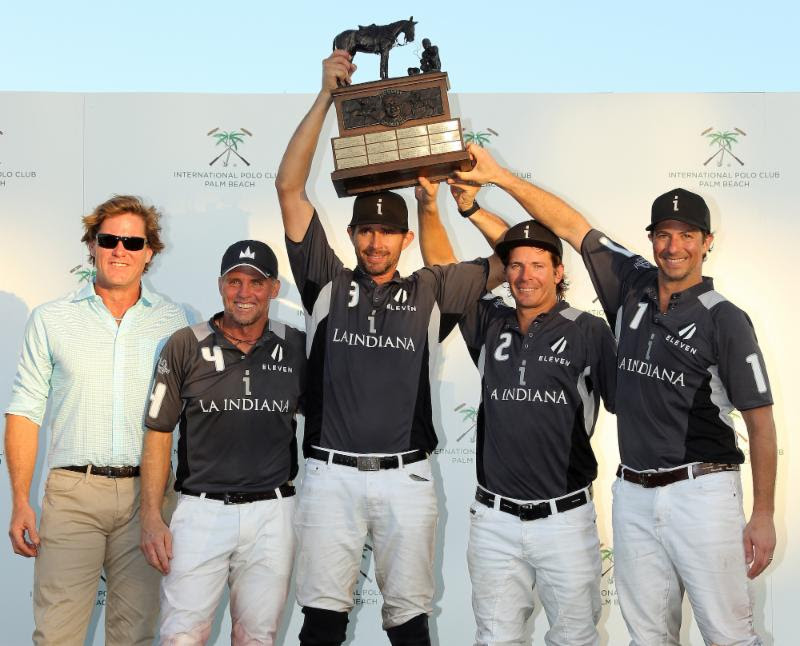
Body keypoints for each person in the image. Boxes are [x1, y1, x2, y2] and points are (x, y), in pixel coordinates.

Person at [453, 144, 778, 646]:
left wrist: (763, 513)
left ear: (707, 242)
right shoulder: (631, 285)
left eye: (687, 235)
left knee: (729, 635)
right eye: (663, 235)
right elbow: (565, 231)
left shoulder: (725, 317)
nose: (674, 246)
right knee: (647, 636)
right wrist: (496, 179)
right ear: (651, 240)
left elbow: (760, 422)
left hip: (703, 492)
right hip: (633, 494)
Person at [275, 50, 493, 646]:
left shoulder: (428, 290)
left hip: (407, 478)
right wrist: (326, 95)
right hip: (329, 475)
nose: (375, 242)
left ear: (404, 238)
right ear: (350, 234)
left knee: (409, 623)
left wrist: (455, 205)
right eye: (366, 230)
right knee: (321, 623)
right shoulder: (325, 282)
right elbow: (289, 187)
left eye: (387, 232)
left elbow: (516, 259)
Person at [418, 178, 616, 645]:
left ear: (559, 271)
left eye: (538, 265)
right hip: (494, 522)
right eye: (516, 266)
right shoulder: (490, 322)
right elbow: (445, 272)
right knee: (495, 639)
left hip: (565, 520)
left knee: (575, 639)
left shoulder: (590, 331)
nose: (526, 276)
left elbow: (629, 406)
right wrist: (430, 208)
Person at [5, 195, 189, 646]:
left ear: (150, 252)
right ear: (92, 245)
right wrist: (20, 500)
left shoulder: (173, 321)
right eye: (109, 240)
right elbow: (25, 410)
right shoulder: (51, 319)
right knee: (56, 637)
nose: (120, 250)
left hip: (148, 499)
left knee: (135, 637)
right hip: (73, 496)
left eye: (133, 242)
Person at [140, 239, 305, 645]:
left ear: (274, 288)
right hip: (200, 511)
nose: (244, 292)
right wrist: (151, 516)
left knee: (257, 637)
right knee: (182, 637)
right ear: (220, 285)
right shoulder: (185, 343)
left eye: (256, 282)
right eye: (234, 281)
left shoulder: (297, 345)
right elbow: (158, 432)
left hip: (272, 514)